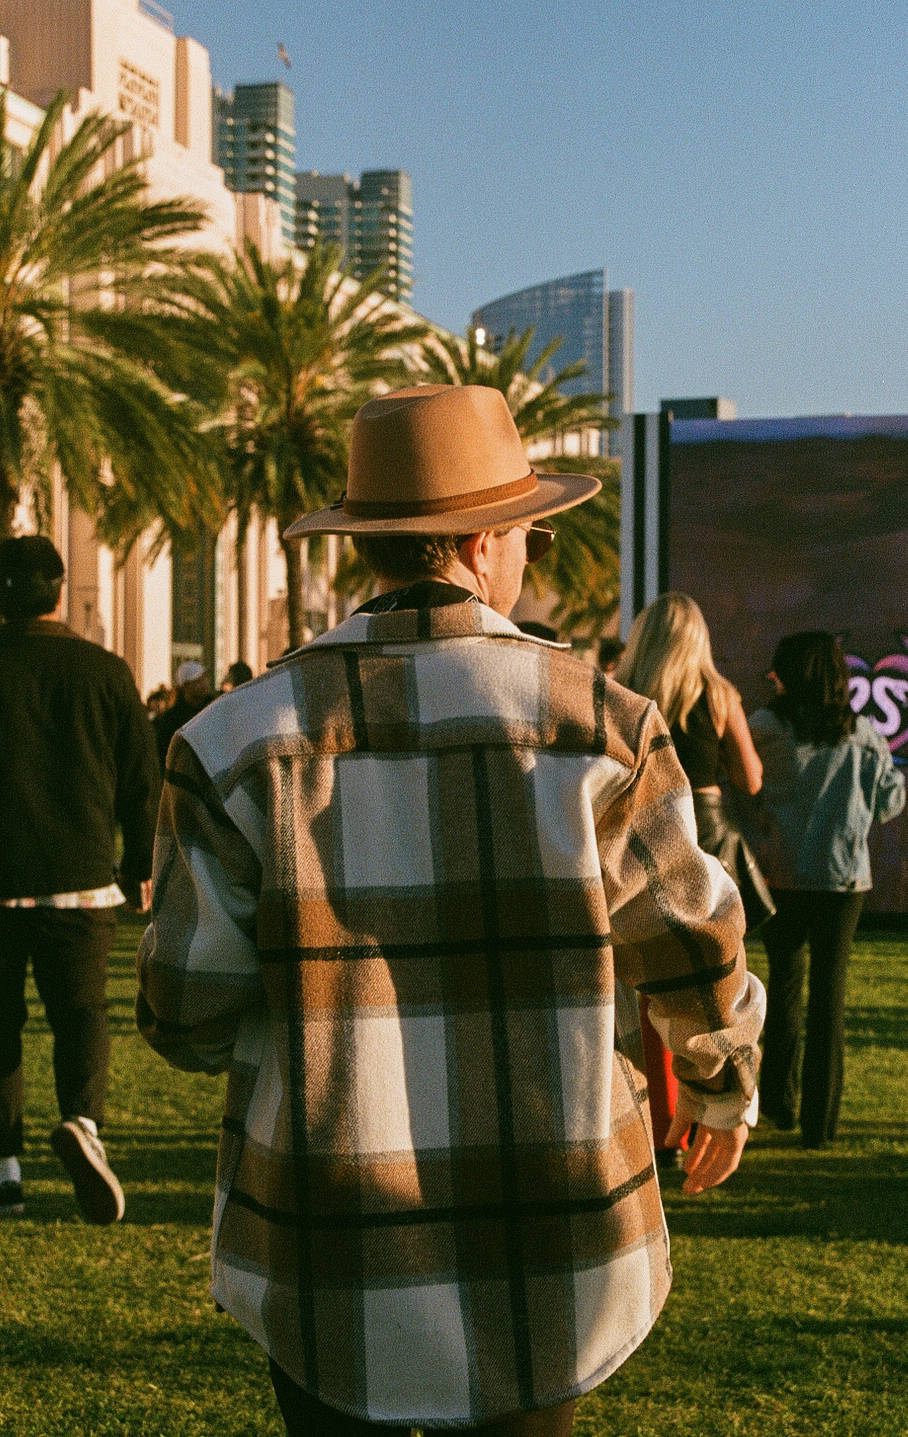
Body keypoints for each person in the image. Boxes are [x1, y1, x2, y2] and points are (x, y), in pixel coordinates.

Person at [137, 383, 765, 1437]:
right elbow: (692, 947)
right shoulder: (604, 728)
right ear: (484, 544)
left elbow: (185, 1007)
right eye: (526, 533)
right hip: (554, 1233)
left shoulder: (233, 740)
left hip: (323, 1237)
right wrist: (719, 1087)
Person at [0, 536, 160, 1223]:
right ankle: (82, 1124)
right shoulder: (105, 670)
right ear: (61, 591)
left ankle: (5, 1166)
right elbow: (142, 781)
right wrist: (141, 867)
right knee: (82, 1012)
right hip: (83, 878)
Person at [615, 594, 774, 1164]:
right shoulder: (720, 696)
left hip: (640, 828)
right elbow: (750, 779)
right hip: (705, 829)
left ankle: (657, 1115)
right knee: (717, 973)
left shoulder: (622, 690)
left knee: (646, 981)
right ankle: (718, 1106)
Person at [748, 631, 905, 1149]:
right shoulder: (864, 732)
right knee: (829, 997)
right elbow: (889, 803)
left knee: (784, 986)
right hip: (844, 879)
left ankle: (778, 1103)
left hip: (781, 876)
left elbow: (742, 782)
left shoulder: (767, 727)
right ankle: (820, 1123)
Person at [152, 659, 216, 768]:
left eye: (204, 679)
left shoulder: (214, 709)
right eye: (197, 681)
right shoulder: (172, 718)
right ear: (185, 686)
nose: (203, 684)